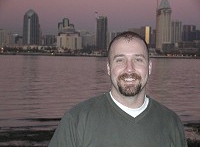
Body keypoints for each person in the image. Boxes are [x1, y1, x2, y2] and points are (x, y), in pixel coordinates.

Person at [48, 31, 187, 147]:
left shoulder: (171, 123)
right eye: (120, 60)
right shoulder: (76, 120)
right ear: (108, 68)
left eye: (138, 59)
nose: (129, 69)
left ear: (149, 67)